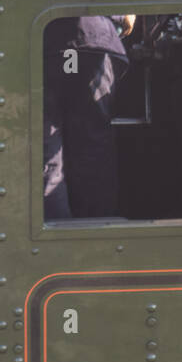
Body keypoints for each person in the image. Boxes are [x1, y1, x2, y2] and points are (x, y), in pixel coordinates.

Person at [43, 15, 132, 219]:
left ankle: (53, 228)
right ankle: (96, 225)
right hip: (90, 38)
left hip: (43, 41)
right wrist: (121, 13)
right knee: (93, 145)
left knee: (47, 148)